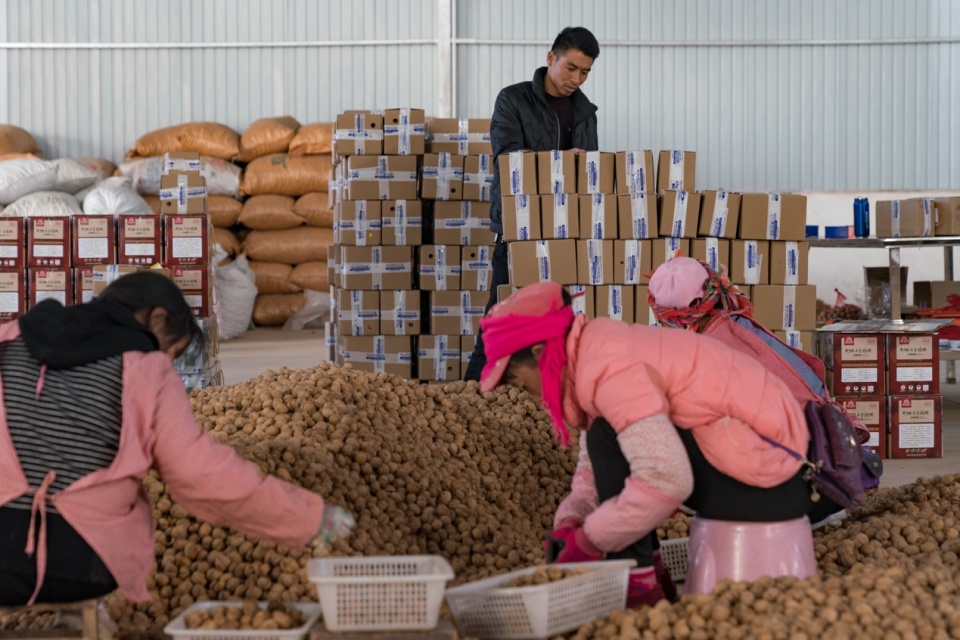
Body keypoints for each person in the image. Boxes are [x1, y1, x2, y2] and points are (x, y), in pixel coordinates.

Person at [0, 271, 355, 606]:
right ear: (156, 319)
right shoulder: (144, 367)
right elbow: (201, 474)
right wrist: (308, 518)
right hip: (82, 563)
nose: (167, 359)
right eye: (172, 349)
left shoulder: (10, 339)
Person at [479, 282, 819, 607]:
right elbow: (594, 467)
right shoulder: (594, 352)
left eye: (525, 386)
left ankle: (638, 584)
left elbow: (667, 479)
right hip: (761, 468)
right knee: (609, 437)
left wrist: (590, 540)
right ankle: (648, 572)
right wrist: (573, 519)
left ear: (540, 354)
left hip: (768, 485)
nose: (535, 399)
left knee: (609, 436)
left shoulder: (609, 366)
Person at [463, 26, 600, 382]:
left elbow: (591, 172)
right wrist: (559, 160)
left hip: (569, 232)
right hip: (518, 230)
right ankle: (470, 397)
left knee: (563, 320)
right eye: (571, 67)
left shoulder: (586, 113)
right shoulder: (513, 100)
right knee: (501, 317)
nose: (577, 79)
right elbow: (508, 158)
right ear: (551, 58)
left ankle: (549, 399)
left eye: (585, 72)